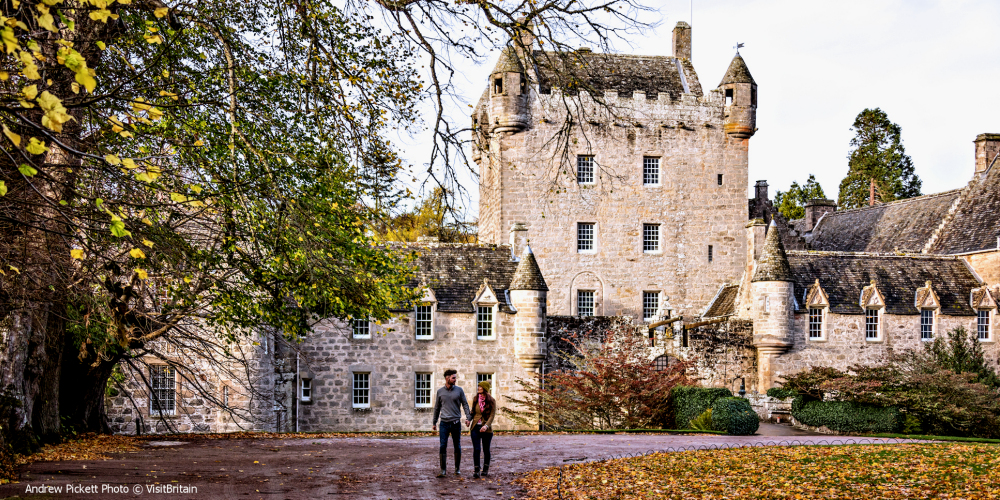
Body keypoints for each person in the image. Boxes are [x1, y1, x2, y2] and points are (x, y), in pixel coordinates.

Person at [431, 368, 471, 478]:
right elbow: (437, 408)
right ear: (447, 378)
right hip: (444, 423)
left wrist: (468, 417)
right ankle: (443, 470)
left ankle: (457, 469)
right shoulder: (440, 392)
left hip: (456, 423)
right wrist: (434, 422)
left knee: (457, 445)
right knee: (442, 445)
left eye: (455, 378)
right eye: (453, 378)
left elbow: (465, 404)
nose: (455, 380)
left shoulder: (459, 390)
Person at [465, 380, 496, 479]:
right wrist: (468, 420)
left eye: (480, 387)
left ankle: (485, 469)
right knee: (477, 449)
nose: (478, 388)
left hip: (486, 429)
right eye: (478, 386)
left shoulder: (491, 400)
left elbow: (492, 416)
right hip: (475, 427)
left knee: (486, 449)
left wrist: (486, 426)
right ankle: (476, 470)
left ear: (485, 389)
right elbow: (473, 412)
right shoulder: (475, 399)